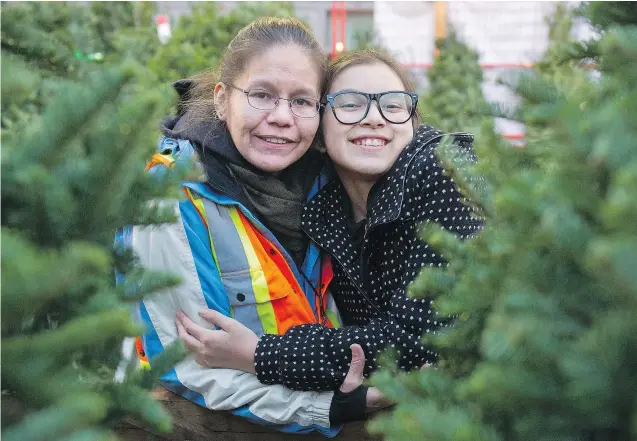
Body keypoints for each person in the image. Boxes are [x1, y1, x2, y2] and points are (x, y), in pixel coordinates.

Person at [118, 18, 383, 436]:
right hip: (196, 421)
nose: (281, 117)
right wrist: (331, 406)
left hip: (300, 405)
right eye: (261, 95)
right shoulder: (172, 194)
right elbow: (185, 367)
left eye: (301, 101)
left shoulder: (323, 183)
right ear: (222, 100)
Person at [176, 49, 484, 394]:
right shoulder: (322, 210)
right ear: (319, 130)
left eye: (394, 105)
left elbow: (426, 338)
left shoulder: (445, 170)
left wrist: (262, 355)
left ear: (413, 124)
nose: (374, 118)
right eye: (351, 104)